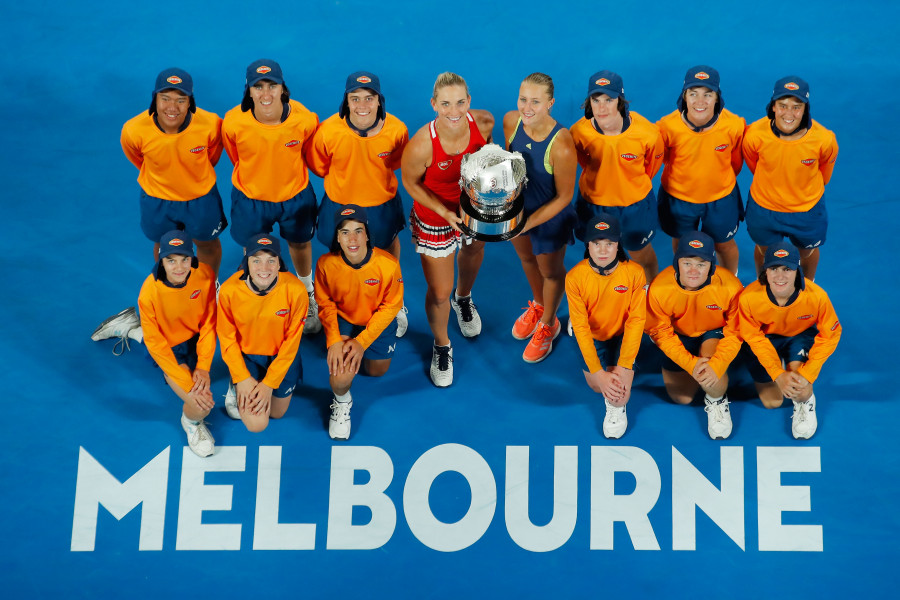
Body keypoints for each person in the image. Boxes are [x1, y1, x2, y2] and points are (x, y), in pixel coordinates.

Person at [94, 67, 226, 352]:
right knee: (165, 246)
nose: (172, 107)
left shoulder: (211, 124)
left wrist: (191, 176)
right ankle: (167, 293)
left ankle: (208, 287)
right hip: (157, 200)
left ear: (191, 101)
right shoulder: (134, 129)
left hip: (200, 198)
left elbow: (212, 154)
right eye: (165, 98)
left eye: (181, 100)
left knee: (207, 245)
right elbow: (137, 157)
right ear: (154, 99)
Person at [400, 72, 494, 387]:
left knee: (474, 250)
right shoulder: (422, 144)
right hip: (436, 217)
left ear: (469, 101)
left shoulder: (483, 124)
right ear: (433, 105)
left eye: (460, 102)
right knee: (439, 291)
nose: (454, 111)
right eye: (445, 104)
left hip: (472, 209)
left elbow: (489, 158)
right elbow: (410, 183)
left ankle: (463, 298)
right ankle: (442, 345)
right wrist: (443, 211)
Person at [221, 59, 322, 333]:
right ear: (248, 91)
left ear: (282, 88)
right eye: (258, 87)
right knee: (253, 249)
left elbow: (309, 154)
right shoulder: (233, 123)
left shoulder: (304, 119)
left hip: (295, 197)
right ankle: (256, 297)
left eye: (272, 86)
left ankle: (307, 293)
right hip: (251, 200)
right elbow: (236, 157)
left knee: (300, 245)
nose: (266, 94)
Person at [308, 71, 410, 337]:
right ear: (346, 101)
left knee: (386, 248)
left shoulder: (397, 130)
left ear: (380, 101)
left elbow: (397, 162)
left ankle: (393, 301)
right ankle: (333, 302)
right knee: (335, 252)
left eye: (369, 98)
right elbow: (320, 166)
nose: (362, 106)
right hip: (338, 205)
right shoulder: (328, 130)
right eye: (355, 98)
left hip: (381, 204)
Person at [502, 72, 577, 363]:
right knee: (526, 259)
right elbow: (507, 166)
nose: (527, 107)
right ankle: (538, 304)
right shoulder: (511, 121)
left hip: (549, 218)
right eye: (523, 99)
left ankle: (549, 323)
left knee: (550, 271)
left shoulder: (562, 143)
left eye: (536, 101)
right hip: (517, 212)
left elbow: (564, 197)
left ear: (551, 104)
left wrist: (528, 223)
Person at [314, 205, 404, 439]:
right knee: (340, 376)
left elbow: (392, 305)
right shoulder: (325, 264)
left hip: (375, 318)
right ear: (337, 237)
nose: (352, 239)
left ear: (367, 235)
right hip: (344, 318)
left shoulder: (388, 265)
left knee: (376, 371)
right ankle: (342, 402)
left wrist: (362, 342)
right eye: (345, 232)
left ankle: (367, 345)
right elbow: (325, 303)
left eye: (358, 231)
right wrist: (334, 340)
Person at [645, 231, 744, 439]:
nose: (693, 270)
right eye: (687, 262)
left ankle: (717, 402)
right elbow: (660, 333)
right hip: (678, 334)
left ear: (711, 266)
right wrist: (690, 364)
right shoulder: (659, 289)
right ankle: (700, 370)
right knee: (682, 397)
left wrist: (717, 363)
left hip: (713, 332)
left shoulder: (730, 287)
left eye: (701, 264)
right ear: (677, 262)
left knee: (711, 380)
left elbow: (736, 331)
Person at [569, 70, 664, 285]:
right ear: (589, 101)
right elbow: (583, 162)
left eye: (609, 100)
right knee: (597, 257)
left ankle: (650, 299)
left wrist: (628, 184)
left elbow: (652, 166)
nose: (601, 107)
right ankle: (597, 300)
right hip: (593, 205)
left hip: (635, 205)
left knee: (641, 255)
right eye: (596, 100)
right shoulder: (578, 132)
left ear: (620, 100)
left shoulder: (648, 133)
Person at [738, 245, 841, 439]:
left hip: (799, 335)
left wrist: (808, 373)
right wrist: (777, 374)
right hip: (766, 338)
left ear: (797, 272)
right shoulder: (749, 298)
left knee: (799, 385)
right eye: (774, 269)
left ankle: (806, 403)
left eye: (787, 269)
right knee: (772, 402)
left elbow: (831, 335)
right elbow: (753, 337)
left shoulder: (817, 297)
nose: (780, 276)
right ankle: (781, 368)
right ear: (765, 271)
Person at [742, 76, 838, 281]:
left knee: (806, 252)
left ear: (805, 109)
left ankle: (808, 287)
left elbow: (825, 176)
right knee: (766, 251)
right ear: (773, 106)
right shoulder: (754, 134)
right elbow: (754, 164)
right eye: (783, 105)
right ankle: (763, 284)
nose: (789, 113)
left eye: (796, 107)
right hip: (764, 208)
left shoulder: (824, 139)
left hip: (807, 210)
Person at [656, 66, 745, 275]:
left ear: (717, 98)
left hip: (721, 198)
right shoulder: (666, 127)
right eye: (693, 94)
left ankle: (730, 283)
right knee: (683, 243)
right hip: (678, 198)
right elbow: (660, 160)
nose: (700, 101)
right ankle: (683, 279)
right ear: (684, 96)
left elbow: (736, 163)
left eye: (708, 94)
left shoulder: (733, 125)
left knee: (724, 244)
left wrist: (716, 180)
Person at [566, 213, 647, 439]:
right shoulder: (574, 278)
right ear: (588, 246)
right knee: (596, 386)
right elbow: (582, 328)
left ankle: (616, 409)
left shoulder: (634, 273)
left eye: (609, 244)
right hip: (591, 332)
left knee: (619, 394)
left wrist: (623, 365)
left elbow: (636, 320)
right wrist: (599, 374)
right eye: (596, 244)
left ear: (618, 245)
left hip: (622, 331)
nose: (603, 251)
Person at [217, 233, 308, 433]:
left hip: (281, 356)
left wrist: (269, 384)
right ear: (246, 262)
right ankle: (235, 384)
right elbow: (226, 338)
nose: (264, 268)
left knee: (276, 413)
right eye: (256, 260)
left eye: (270, 260)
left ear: (279, 263)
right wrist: (241, 377)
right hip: (248, 355)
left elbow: (292, 342)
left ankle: (256, 383)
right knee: (257, 424)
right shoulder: (229, 291)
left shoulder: (296, 290)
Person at [137, 231, 217, 457]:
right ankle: (191, 423)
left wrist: (203, 366)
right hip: (169, 348)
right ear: (161, 261)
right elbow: (157, 345)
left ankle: (134, 327)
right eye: (171, 260)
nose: (179, 267)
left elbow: (210, 323)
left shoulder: (204, 274)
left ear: (192, 258)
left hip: (194, 340)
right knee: (201, 403)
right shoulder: (149, 292)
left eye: (184, 259)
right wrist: (189, 384)